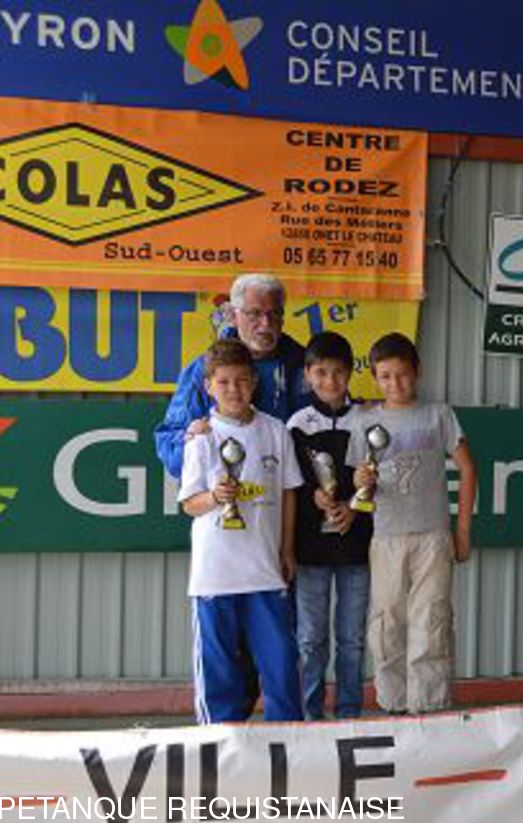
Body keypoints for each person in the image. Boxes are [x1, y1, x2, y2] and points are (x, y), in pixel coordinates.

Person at [177, 339, 303, 723]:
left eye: (242, 380)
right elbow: (189, 503)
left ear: (255, 382)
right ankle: (217, 742)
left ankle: (289, 741)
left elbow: (289, 492)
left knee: (282, 664)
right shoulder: (201, 437)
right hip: (216, 575)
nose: (234, 389)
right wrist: (215, 497)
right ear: (208, 387)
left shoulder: (275, 431)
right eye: (224, 382)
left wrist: (286, 550)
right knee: (219, 673)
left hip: (264, 571)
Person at [350, 332, 476, 714]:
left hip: (433, 536)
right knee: (387, 622)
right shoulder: (365, 421)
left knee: (431, 620)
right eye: (385, 376)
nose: (395, 383)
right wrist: (361, 481)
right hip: (386, 537)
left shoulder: (438, 415)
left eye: (402, 374)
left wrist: (462, 531)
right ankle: (393, 704)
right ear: (375, 377)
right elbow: (358, 479)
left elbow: (468, 469)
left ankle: (429, 707)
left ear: (417, 371)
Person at [286, 331, 374, 720]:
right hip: (310, 550)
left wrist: (354, 508)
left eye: (338, 372)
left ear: (351, 372)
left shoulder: (367, 420)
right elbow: (290, 483)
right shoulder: (297, 424)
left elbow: (375, 478)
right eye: (320, 372)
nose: (330, 381)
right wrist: (314, 497)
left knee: (352, 639)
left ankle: (349, 715)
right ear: (307, 375)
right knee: (310, 639)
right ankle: (310, 716)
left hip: (356, 547)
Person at [155, 273, 310, 479]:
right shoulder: (204, 368)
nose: (265, 324)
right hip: (222, 490)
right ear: (233, 316)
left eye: (274, 313)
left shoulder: (307, 366)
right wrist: (190, 441)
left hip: (290, 489)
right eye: (254, 314)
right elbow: (171, 453)